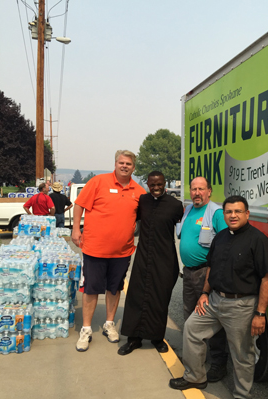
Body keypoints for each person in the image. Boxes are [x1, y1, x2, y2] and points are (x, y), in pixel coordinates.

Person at [170, 195, 268, 399]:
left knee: (241, 353)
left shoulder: (258, 240)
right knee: (191, 329)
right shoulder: (220, 238)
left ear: (247, 214)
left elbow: (267, 278)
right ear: (224, 214)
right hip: (215, 300)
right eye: (229, 212)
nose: (233, 215)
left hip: (241, 304)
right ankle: (195, 377)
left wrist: (260, 313)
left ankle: (243, 398)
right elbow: (211, 268)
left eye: (238, 211)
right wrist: (205, 293)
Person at [71, 150, 146, 352]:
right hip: (95, 249)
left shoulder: (139, 192)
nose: (124, 166)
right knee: (91, 289)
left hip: (122, 251)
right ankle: (86, 329)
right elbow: (79, 205)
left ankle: (109, 323)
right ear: (115, 163)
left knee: (114, 288)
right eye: (121, 162)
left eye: (128, 164)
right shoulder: (98, 182)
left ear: (133, 167)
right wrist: (76, 228)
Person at [118, 171, 183, 355]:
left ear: (164, 184)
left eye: (159, 184)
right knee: (136, 296)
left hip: (165, 259)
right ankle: (133, 339)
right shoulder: (142, 201)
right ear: (147, 184)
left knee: (160, 298)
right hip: (143, 256)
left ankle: (157, 338)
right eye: (152, 185)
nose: (156, 188)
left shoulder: (176, 205)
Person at [176, 176, 228, 382]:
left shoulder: (216, 213)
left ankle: (218, 364)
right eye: (194, 189)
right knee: (190, 318)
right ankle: (195, 359)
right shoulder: (188, 210)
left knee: (210, 320)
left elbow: (225, 244)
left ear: (209, 191)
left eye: (201, 189)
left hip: (206, 273)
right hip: (188, 272)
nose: (197, 193)